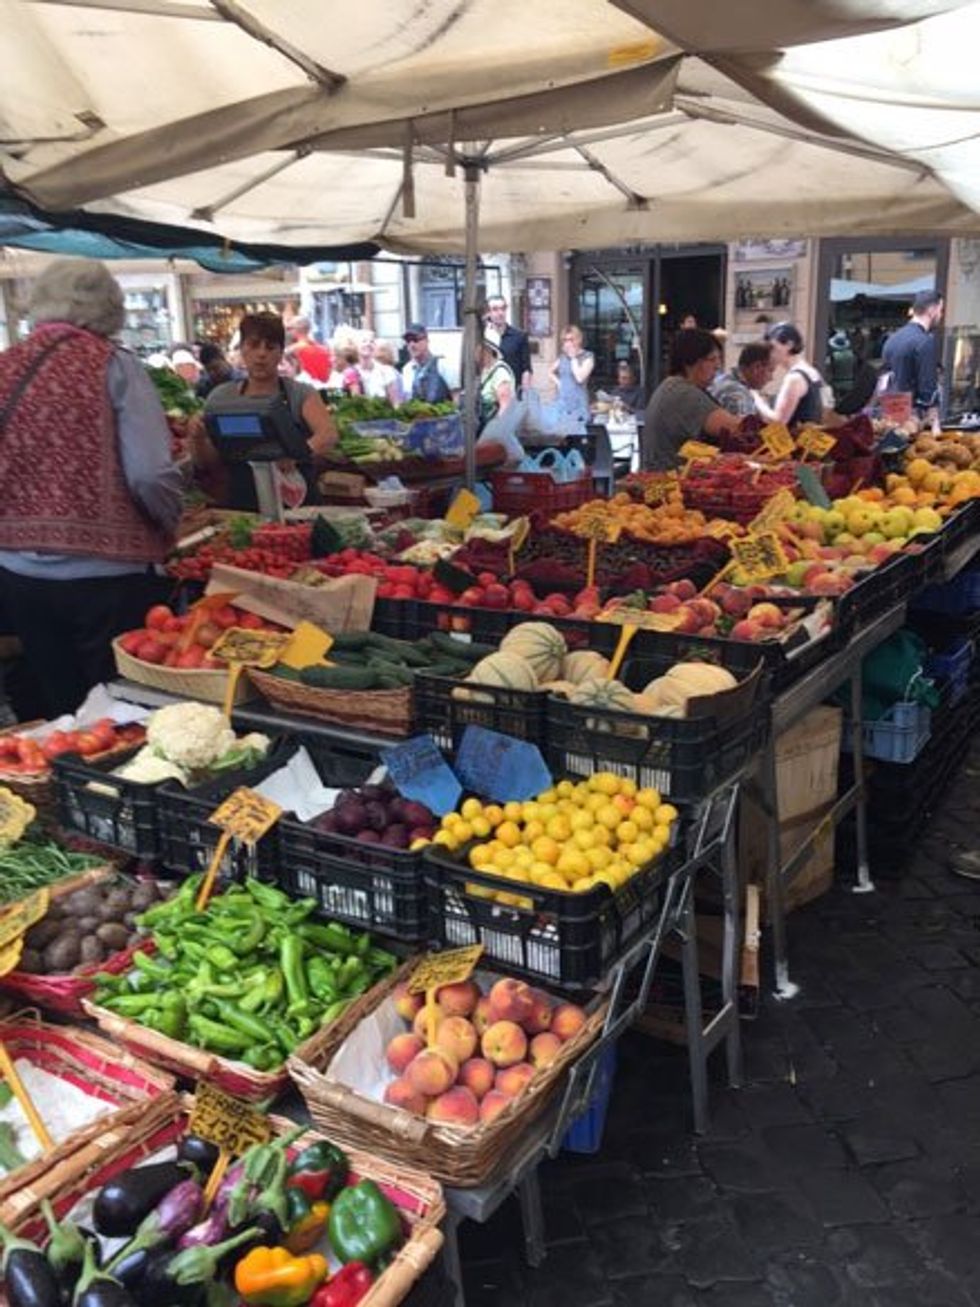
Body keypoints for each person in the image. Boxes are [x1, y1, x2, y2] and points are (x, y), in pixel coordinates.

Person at [0, 258, 182, 716]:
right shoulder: (115, 365)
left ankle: (63, 782)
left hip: (19, 575)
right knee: (121, 714)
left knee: (63, 712)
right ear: (109, 308)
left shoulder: (6, 367)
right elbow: (150, 474)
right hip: (109, 580)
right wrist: (170, 522)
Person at [192, 311, 337, 511]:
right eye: (253, 345)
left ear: (280, 352)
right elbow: (210, 461)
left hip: (296, 499)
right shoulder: (220, 398)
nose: (262, 354)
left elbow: (327, 435)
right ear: (242, 350)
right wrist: (198, 439)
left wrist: (296, 454)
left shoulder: (300, 393)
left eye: (270, 347)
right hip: (240, 499)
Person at [642, 329, 742, 470]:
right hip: (671, 484)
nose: (718, 366)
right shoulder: (682, 394)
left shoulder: (672, 386)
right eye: (712, 359)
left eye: (719, 359)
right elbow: (736, 429)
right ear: (690, 362)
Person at [881, 289, 944, 414]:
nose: (941, 315)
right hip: (913, 418)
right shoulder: (924, 341)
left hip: (890, 414)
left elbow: (885, 380)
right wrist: (935, 423)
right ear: (931, 310)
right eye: (940, 310)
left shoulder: (892, 339)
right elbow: (928, 390)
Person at [753, 323, 827, 427]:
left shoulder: (794, 379)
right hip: (809, 438)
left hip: (795, 440)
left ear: (789, 345)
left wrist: (755, 398)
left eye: (773, 347)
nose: (770, 353)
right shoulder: (811, 372)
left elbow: (777, 423)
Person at [549, 324, 595, 434]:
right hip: (562, 402)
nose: (568, 343)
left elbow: (580, 378)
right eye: (565, 340)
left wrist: (574, 358)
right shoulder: (563, 357)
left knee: (578, 436)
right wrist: (559, 383)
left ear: (578, 340)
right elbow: (550, 371)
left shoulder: (587, 356)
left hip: (578, 404)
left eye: (571, 339)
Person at [710, 342, 775, 418]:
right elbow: (747, 429)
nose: (771, 378)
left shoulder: (719, 379)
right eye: (770, 370)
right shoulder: (740, 396)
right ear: (756, 368)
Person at [484, 295, 531, 394]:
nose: (500, 313)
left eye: (503, 308)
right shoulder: (484, 338)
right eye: (495, 309)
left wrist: (525, 396)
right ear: (488, 313)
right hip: (489, 396)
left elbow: (526, 369)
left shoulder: (519, 336)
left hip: (514, 394)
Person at [400, 323, 454, 404]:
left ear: (426, 341)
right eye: (408, 341)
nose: (412, 345)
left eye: (415, 339)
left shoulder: (443, 365)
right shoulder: (407, 370)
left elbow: (456, 397)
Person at [343, 330, 400, 404]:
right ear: (356, 347)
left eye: (372, 341)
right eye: (364, 341)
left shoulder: (387, 371)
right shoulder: (350, 373)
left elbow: (395, 403)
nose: (368, 344)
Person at [477, 339, 515, 430]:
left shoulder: (500, 373)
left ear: (487, 351)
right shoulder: (485, 370)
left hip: (493, 428)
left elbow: (505, 406)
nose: (475, 355)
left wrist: (496, 431)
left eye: (478, 350)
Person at [286, 315, 332, 384]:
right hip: (321, 388)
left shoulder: (292, 350)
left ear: (299, 329)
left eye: (289, 328)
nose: (287, 332)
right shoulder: (324, 350)